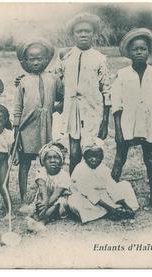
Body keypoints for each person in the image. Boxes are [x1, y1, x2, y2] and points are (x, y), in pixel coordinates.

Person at [111, 28, 152, 210]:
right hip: (127, 123)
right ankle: (110, 193)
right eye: (135, 49)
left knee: (150, 160)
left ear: (149, 51)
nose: (139, 52)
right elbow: (116, 103)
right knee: (119, 159)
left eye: (143, 49)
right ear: (129, 53)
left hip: (148, 123)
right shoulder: (123, 74)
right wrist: (118, 130)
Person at [57, 13, 112, 174]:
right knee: (74, 152)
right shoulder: (65, 56)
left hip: (93, 111)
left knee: (91, 150)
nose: (83, 34)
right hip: (72, 110)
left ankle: (91, 185)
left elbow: (106, 90)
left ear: (93, 34)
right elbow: (55, 80)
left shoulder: (99, 59)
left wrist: (104, 121)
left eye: (87, 31)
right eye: (79, 31)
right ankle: (74, 186)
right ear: (73, 35)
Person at [13, 38, 64, 211]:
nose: (36, 62)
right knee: (25, 163)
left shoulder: (54, 79)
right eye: (32, 59)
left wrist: (51, 109)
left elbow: (64, 97)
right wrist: (16, 131)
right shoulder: (23, 81)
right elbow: (18, 108)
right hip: (27, 128)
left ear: (46, 59)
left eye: (39, 58)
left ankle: (45, 195)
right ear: (26, 61)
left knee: (47, 161)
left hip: (47, 126)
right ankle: (23, 198)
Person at [67, 138, 139, 224]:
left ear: (102, 157)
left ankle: (120, 209)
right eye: (90, 156)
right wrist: (110, 209)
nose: (93, 159)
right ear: (84, 157)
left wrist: (126, 205)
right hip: (87, 198)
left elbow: (111, 186)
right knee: (75, 201)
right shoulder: (80, 169)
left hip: (103, 196)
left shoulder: (103, 168)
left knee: (125, 185)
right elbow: (89, 193)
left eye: (97, 156)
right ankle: (111, 212)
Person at [26, 142, 71, 231]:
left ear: (61, 160)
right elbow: (42, 188)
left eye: (56, 157)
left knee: (53, 208)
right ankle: (36, 218)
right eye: (48, 158)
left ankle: (42, 221)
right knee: (39, 199)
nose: (53, 160)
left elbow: (56, 194)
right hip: (45, 198)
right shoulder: (41, 171)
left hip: (57, 200)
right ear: (43, 161)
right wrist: (44, 202)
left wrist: (46, 204)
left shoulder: (64, 175)